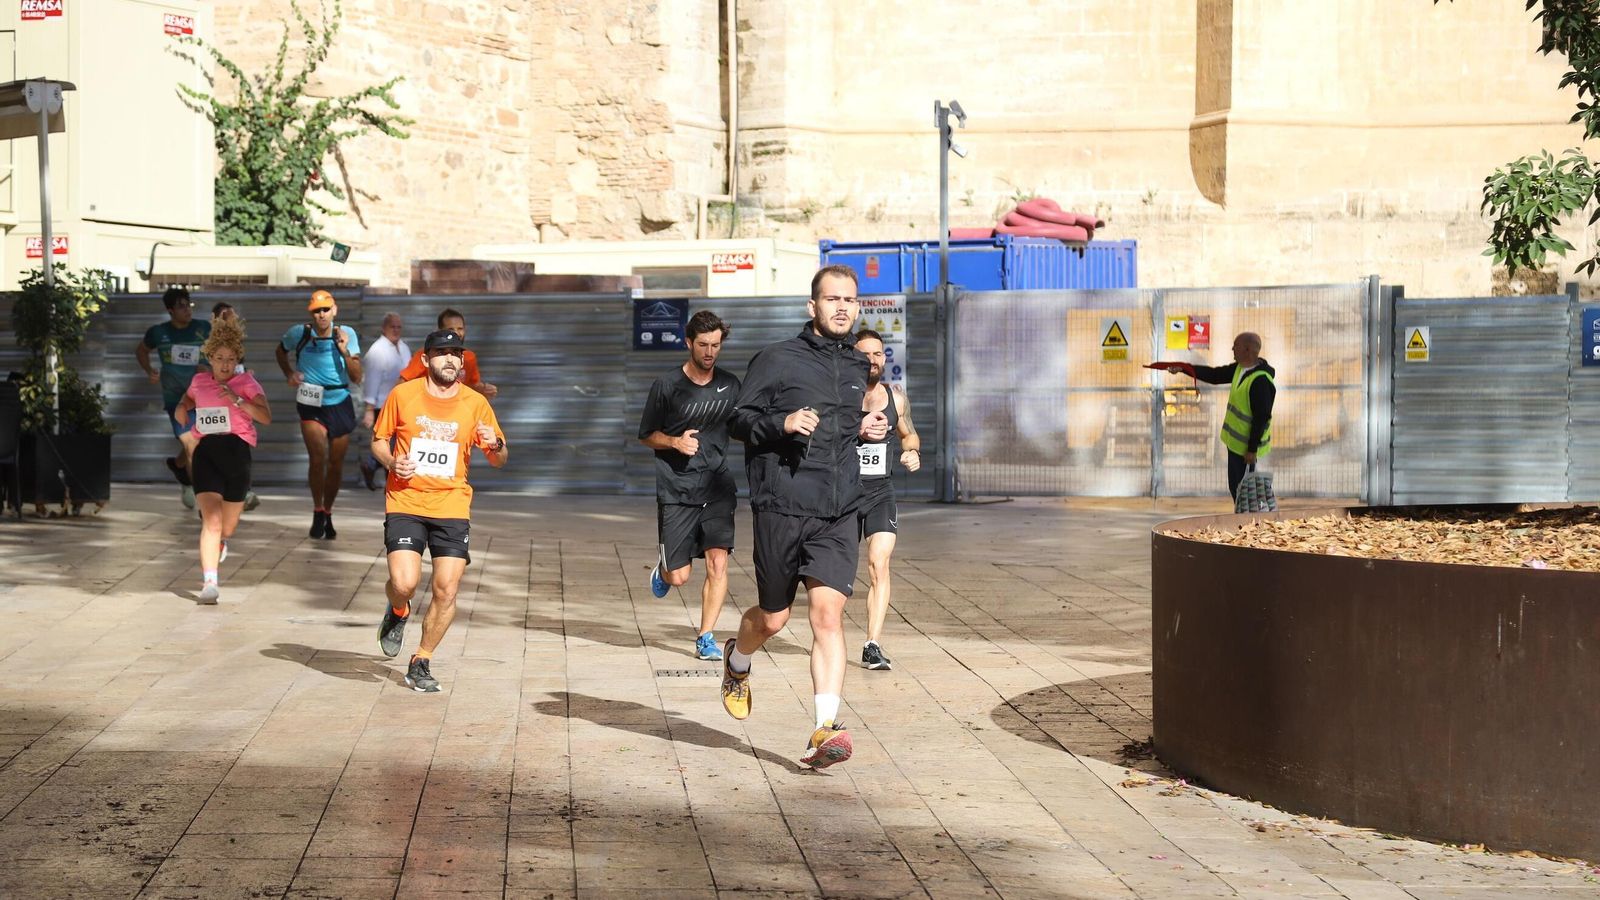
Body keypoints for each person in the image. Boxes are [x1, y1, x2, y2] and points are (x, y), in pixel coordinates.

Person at [723, 264, 889, 770]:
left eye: (851, 300)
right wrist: (784, 422)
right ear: (811, 306)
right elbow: (737, 420)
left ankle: (825, 728)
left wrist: (865, 430)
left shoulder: (859, 368)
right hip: (782, 506)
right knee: (772, 618)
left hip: (838, 511)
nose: (843, 307)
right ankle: (738, 660)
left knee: (828, 616)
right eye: (832, 299)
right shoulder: (777, 359)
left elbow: (839, 428)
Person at [371, 329, 508, 693]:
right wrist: (391, 461)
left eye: (456, 354)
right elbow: (378, 441)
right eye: (442, 353)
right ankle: (398, 609)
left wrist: (495, 444)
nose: (451, 359)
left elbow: (498, 459)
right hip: (406, 500)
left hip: (452, 504)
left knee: (446, 590)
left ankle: (421, 659)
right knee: (404, 584)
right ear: (425, 359)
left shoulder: (475, 403)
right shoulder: (403, 395)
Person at [637, 310, 741, 661]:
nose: (710, 352)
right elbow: (646, 436)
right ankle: (665, 571)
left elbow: (746, 424)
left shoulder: (731, 385)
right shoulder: (667, 386)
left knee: (718, 563)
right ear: (688, 343)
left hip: (717, 489)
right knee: (680, 577)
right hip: (677, 490)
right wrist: (676, 443)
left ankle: (705, 636)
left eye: (716, 345)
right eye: (703, 345)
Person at [174, 317, 271, 604]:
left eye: (230, 359)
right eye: (219, 359)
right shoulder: (200, 381)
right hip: (206, 453)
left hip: (237, 455)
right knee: (211, 522)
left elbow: (265, 417)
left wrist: (238, 400)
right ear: (210, 358)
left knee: (226, 528)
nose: (225, 365)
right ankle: (209, 583)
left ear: (237, 359)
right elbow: (187, 400)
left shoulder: (247, 383)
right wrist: (182, 408)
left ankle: (222, 542)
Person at [853, 329, 921, 671]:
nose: (873, 360)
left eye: (878, 354)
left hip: (880, 493)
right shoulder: (838, 398)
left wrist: (911, 453)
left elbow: (909, 435)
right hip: (842, 495)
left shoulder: (896, 398)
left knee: (879, 564)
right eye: (865, 354)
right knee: (834, 578)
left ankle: (872, 644)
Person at [274, 289, 363, 539]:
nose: (321, 315)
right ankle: (317, 509)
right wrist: (289, 373)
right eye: (316, 311)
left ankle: (328, 512)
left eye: (325, 309)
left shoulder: (346, 334)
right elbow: (280, 352)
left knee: (335, 463)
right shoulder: (299, 333)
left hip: (339, 398)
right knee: (318, 457)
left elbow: (357, 377)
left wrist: (345, 350)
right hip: (310, 400)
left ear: (334, 310)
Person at [1156, 331, 1276, 499]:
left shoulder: (1260, 381)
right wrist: (1185, 368)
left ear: (1248, 350)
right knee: (1236, 489)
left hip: (1248, 451)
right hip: (1235, 445)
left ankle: (1251, 523)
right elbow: (1214, 375)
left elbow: (1261, 418)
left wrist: (1252, 449)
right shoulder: (1240, 369)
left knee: (1247, 495)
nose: (1232, 348)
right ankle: (1242, 521)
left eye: (1236, 346)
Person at [136, 287, 210, 509]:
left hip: (204, 398)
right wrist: (149, 370)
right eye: (181, 306)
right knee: (192, 445)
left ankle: (179, 467)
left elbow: (223, 352)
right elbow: (141, 351)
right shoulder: (158, 333)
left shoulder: (203, 328)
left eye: (189, 304)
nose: (187, 309)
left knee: (203, 442)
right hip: (176, 400)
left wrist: (208, 366)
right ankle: (204, 501)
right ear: (170, 310)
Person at [209, 301, 259, 510]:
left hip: (236, 404)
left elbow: (238, 368)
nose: (230, 318)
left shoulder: (238, 343)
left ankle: (241, 491)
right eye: (225, 315)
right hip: (215, 403)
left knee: (240, 445)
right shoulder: (209, 342)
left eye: (232, 315)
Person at [397, 308, 497, 399]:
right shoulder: (426, 355)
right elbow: (401, 383)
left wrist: (484, 389)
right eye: (451, 329)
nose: (457, 333)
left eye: (460, 328)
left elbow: (472, 386)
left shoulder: (469, 357)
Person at [360, 312, 410, 490]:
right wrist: (369, 409)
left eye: (399, 327)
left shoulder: (403, 347)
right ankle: (375, 467)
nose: (396, 330)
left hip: (403, 404)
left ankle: (372, 466)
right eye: (392, 327)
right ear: (384, 328)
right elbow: (371, 381)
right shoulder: (377, 350)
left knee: (396, 445)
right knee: (389, 445)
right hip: (382, 405)